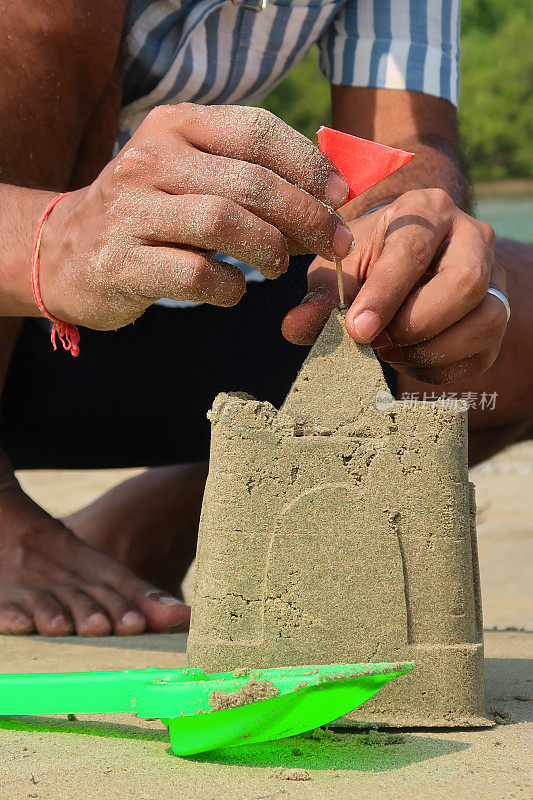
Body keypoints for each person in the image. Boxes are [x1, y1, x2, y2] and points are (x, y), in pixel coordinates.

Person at [0, 1, 530, 638]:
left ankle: (158, 522)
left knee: (495, 315)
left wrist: (404, 244)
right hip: (27, 311)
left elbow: (400, 147)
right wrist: (55, 239)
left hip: (165, 318)